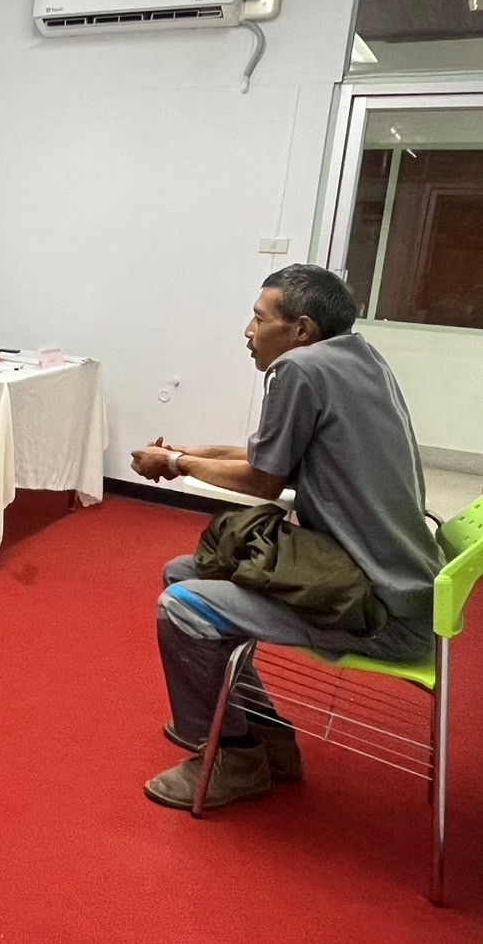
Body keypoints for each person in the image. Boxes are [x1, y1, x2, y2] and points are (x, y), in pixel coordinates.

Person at [130, 264, 441, 810]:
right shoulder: (357, 357)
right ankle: (266, 736)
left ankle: (235, 758)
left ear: (301, 329)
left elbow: (263, 481)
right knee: (185, 572)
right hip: (404, 589)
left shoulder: (297, 368)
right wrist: (183, 454)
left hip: (378, 610)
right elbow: (269, 455)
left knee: (182, 605)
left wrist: (176, 463)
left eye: (258, 318)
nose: (248, 331)